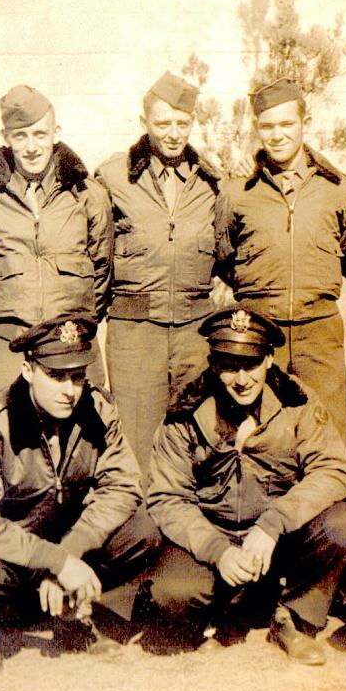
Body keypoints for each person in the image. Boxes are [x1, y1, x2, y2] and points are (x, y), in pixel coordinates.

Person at [147, 305, 346, 666]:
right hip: (212, 536)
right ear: (213, 364)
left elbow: (334, 470)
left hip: (276, 540)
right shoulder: (186, 411)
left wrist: (274, 522)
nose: (242, 378)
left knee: (345, 524)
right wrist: (217, 549)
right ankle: (222, 612)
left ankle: (292, 618)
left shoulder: (297, 401)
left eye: (251, 364)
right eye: (229, 366)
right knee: (173, 594)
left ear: (269, 360)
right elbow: (168, 497)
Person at [0, 314, 161, 674]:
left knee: (143, 532)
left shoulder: (98, 410)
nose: (69, 390)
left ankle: (80, 611)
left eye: (77, 376)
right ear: (28, 370)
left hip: (63, 539)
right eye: (56, 376)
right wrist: (56, 562)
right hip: (7, 552)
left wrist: (70, 552)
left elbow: (123, 486)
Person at [95, 71, 222, 473]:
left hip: (194, 334)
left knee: (197, 440)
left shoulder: (212, 182)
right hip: (136, 335)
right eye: (162, 123)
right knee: (137, 443)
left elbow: (228, 251)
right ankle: (143, 533)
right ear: (144, 123)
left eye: (182, 124)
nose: (172, 133)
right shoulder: (112, 178)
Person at [214, 78, 346, 439]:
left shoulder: (336, 188)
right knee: (258, 431)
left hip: (318, 328)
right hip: (260, 331)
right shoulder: (238, 190)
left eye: (286, 124)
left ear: (304, 124)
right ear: (257, 129)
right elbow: (224, 256)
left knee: (326, 428)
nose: (277, 135)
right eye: (267, 126)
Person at [0, 85, 113, 394]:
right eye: (21, 136)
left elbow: (102, 272)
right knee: (10, 433)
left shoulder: (87, 195)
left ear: (55, 133)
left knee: (82, 435)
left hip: (72, 339)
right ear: (6, 137)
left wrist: (79, 325)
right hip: (8, 342)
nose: (31, 147)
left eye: (40, 134)